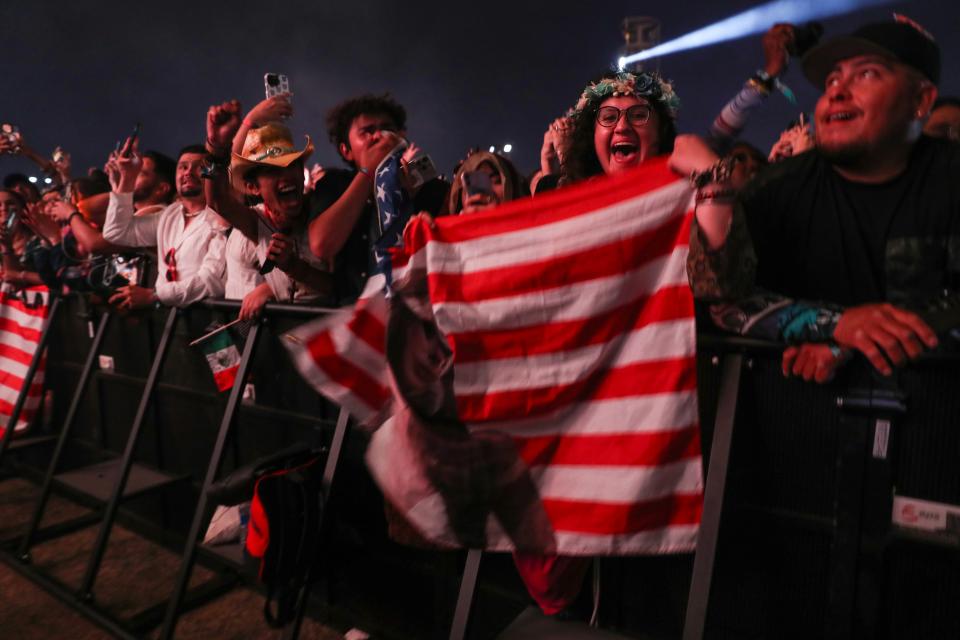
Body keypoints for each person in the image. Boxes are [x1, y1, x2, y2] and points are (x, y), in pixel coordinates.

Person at [676, 17, 954, 383]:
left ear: (920, 100)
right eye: (832, 80)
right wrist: (838, 325)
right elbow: (721, 302)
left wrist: (867, 342)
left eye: (867, 74)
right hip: (798, 422)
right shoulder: (775, 190)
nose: (837, 91)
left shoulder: (950, 178)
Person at [308, 93, 448, 302]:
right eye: (366, 132)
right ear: (346, 151)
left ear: (402, 136)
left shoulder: (431, 187)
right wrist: (369, 172)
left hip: (414, 312)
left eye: (387, 128)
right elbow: (322, 245)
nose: (378, 137)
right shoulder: (334, 184)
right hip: (355, 315)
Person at [203, 98, 333, 317]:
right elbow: (217, 201)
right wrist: (216, 148)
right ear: (254, 188)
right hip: (285, 337)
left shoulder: (324, 209)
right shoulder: (259, 222)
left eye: (292, 165)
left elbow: (342, 287)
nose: (287, 175)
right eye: (272, 170)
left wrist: (293, 266)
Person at [102, 140, 226, 309]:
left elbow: (211, 281)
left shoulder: (222, 218)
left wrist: (155, 295)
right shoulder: (170, 215)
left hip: (207, 321)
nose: (188, 172)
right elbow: (116, 232)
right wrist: (128, 176)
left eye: (198, 167)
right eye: (183, 167)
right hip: (171, 321)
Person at [446, 150, 528, 214]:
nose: (481, 193)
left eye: (496, 181)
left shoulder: (533, 230)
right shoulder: (449, 233)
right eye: (470, 183)